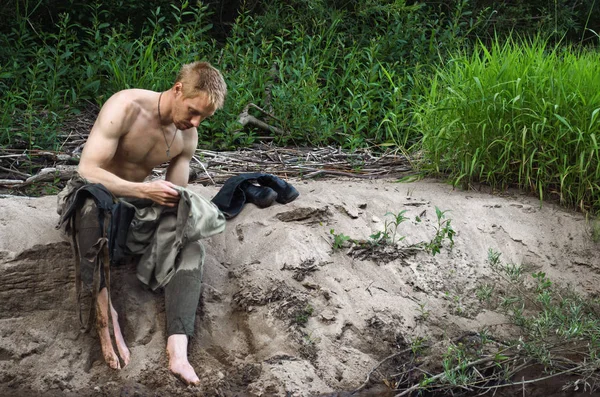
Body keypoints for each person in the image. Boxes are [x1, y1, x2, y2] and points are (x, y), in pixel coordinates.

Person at [63, 61, 227, 385]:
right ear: (178, 89)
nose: (195, 122)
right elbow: (87, 169)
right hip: (96, 194)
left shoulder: (186, 136)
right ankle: (105, 314)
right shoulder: (126, 106)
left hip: (136, 206)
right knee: (90, 206)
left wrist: (185, 208)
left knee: (190, 244)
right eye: (193, 112)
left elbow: (175, 198)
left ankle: (177, 351)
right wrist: (143, 189)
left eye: (202, 119)